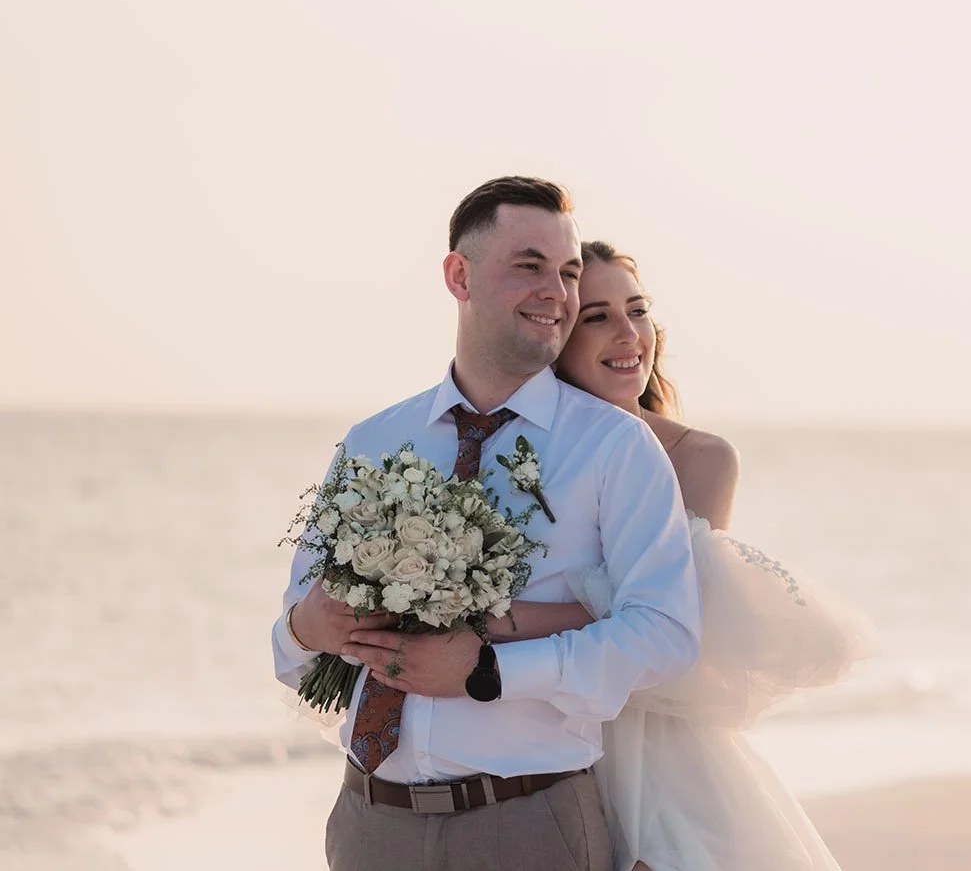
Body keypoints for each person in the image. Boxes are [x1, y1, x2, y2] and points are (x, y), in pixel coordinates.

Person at [271, 177, 702, 871]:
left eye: (565, 273)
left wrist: (488, 672)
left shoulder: (613, 448)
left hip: (527, 826)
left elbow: (666, 634)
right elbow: (291, 655)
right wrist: (306, 628)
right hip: (367, 826)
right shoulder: (373, 442)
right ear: (458, 275)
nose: (556, 293)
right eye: (528, 266)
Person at [504, 240, 873, 871]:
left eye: (637, 310)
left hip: (655, 754)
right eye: (596, 316)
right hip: (530, 736)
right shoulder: (520, 454)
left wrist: (494, 622)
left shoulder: (699, 459)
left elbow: (666, 628)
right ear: (555, 339)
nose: (627, 333)